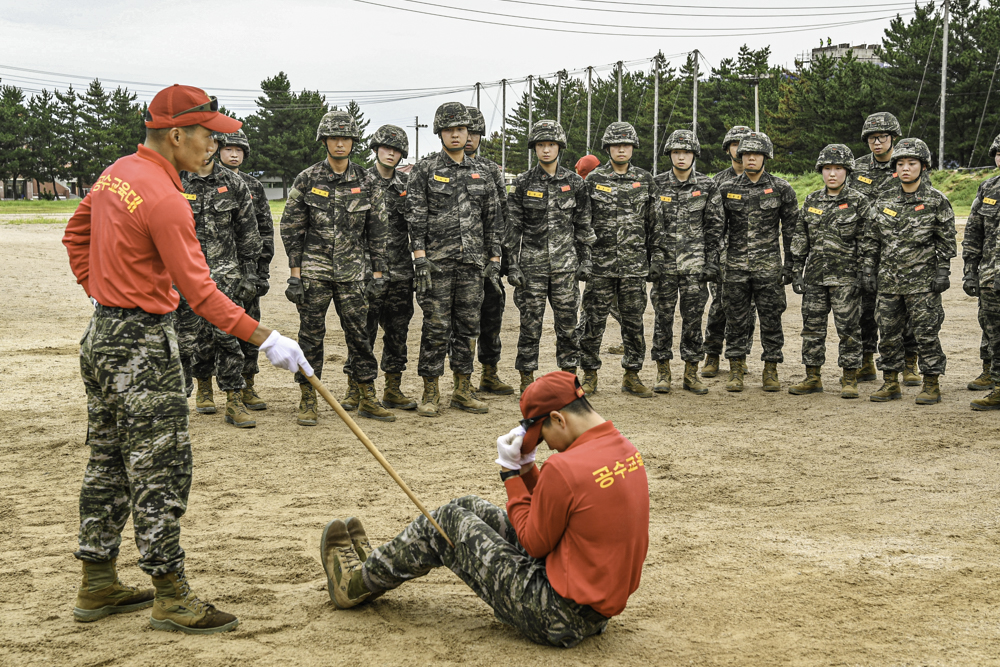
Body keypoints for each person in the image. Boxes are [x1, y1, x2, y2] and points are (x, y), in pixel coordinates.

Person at [62, 84, 310, 634]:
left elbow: (75, 234)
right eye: (206, 134)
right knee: (162, 468)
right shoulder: (165, 197)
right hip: (143, 346)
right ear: (177, 134)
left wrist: (103, 289)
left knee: (107, 461)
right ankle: (170, 596)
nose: (212, 144)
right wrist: (267, 338)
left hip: (103, 335)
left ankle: (97, 580)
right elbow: (202, 295)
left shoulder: (116, 173)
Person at [317, 371, 649, 648]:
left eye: (544, 436)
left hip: (556, 613)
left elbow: (534, 541)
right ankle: (378, 568)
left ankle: (355, 583)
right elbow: (564, 507)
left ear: (558, 418)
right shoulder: (624, 449)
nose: (547, 445)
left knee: (448, 520)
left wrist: (510, 475)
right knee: (466, 506)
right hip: (592, 607)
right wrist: (529, 468)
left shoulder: (565, 467)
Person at [280, 110, 393, 424]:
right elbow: (291, 227)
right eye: (334, 138)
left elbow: (379, 231)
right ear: (325, 141)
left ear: (353, 141)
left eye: (345, 138)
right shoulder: (308, 178)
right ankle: (308, 398)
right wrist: (295, 275)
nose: (340, 143)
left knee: (360, 337)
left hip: (353, 274)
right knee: (311, 338)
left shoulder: (367, 180)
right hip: (314, 273)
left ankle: (366, 395)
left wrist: (378, 273)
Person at [406, 102, 503, 417]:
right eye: (449, 130)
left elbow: (492, 219)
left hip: (472, 266)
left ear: (468, 132)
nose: (456, 134)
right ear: (440, 133)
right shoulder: (426, 169)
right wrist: (420, 258)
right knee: (435, 327)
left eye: (461, 129)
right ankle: (430, 392)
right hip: (436, 265)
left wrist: (493, 257)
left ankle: (463, 389)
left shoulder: (484, 172)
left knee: (468, 327)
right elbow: (416, 216)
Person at [861, 138, 957, 404]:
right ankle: (890, 382)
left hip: (923, 284)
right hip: (889, 282)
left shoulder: (936, 201)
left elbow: (946, 242)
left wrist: (943, 272)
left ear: (923, 166)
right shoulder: (884, 200)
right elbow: (871, 238)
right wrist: (868, 269)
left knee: (926, 334)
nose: (905, 168)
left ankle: (931, 384)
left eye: (911, 163)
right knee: (888, 335)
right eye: (900, 163)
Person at [506, 120, 595, 393]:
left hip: (565, 268)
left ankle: (569, 380)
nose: (546, 150)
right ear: (534, 148)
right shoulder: (522, 183)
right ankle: (526, 381)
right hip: (531, 269)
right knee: (530, 325)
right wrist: (512, 265)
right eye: (541, 145)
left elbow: (583, 225)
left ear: (560, 147)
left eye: (551, 145)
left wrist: (586, 259)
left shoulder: (574, 183)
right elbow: (513, 229)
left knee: (568, 326)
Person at [179, 136, 261, 428]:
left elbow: (248, 231)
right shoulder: (176, 180)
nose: (207, 149)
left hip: (225, 275)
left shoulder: (234, 184)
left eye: (213, 144)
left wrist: (251, 273)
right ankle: (190, 395)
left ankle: (234, 400)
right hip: (184, 275)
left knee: (228, 338)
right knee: (185, 340)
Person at [579, 122, 661, 397]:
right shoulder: (594, 180)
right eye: (616, 145)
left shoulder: (646, 180)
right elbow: (584, 222)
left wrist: (653, 260)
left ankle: (632, 375)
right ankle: (589, 374)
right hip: (600, 266)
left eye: (626, 145)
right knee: (593, 321)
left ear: (633, 147)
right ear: (608, 148)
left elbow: (654, 224)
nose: (621, 149)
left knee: (633, 322)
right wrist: (586, 259)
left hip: (634, 266)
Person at [788, 144, 873, 399]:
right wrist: (796, 268)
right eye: (827, 168)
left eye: (838, 169)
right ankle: (812, 377)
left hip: (847, 279)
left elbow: (868, 240)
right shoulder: (812, 200)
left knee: (849, 329)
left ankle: (850, 378)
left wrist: (866, 271)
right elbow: (801, 236)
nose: (832, 174)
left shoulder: (859, 202)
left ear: (848, 171)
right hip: (815, 277)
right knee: (812, 328)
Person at [718, 131, 798, 392]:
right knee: (736, 320)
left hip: (769, 269)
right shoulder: (727, 189)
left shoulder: (781, 188)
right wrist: (718, 263)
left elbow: (791, 230)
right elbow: (717, 230)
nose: (751, 158)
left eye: (757, 153)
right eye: (747, 153)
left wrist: (792, 265)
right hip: (735, 268)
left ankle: (771, 368)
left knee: (772, 318)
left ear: (766, 157)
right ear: (740, 156)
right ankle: (736, 369)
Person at [649, 129, 723, 394]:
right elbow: (649, 226)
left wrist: (712, 262)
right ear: (670, 154)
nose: (681, 157)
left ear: (694, 154)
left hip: (695, 268)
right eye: (676, 152)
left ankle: (691, 373)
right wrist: (653, 259)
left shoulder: (707, 185)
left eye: (686, 152)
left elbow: (715, 227)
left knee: (693, 320)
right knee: (663, 319)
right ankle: (663, 373)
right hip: (665, 267)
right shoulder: (655, 184)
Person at [850, 112, 921, 385]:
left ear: (892, 137)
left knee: (905, 310)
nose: (876, 142)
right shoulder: (856, 169)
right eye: (871, 138)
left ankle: (909, 364)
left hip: (900, 251)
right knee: (864, 311)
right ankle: (866, 361)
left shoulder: (906, 165)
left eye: (882, 137)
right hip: (864, 250)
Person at [359, 124, 419, 411]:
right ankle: (358, 389)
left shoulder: (406, 188)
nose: (391, 153)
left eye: (396, 150)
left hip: (400, 272)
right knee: (362, 332)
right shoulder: (357, 182)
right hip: (367, 272)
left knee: (397, 333)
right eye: (386, 147)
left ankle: (392, 388)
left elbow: (416, 227)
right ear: (375, 149)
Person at [216, 129, 275, 411]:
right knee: (207, 335)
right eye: (229, 148)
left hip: (246, 273)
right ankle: (204, 387)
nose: (234, 153)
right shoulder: (196, 182)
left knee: (249, 329)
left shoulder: (253, 186)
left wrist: (261, 271)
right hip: (210, 273)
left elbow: (264, 230)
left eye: (239, 149)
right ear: (218, 150)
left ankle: (248, 386)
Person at [464, 106, 515, 396]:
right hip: (460, 259)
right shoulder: (439, 167)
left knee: (491, 316)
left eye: (475, 132)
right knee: (462, 322)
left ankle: (489, 373)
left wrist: (502, 258)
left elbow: (503, 215)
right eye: (464, 131)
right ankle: (464, 377)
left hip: (488, 258)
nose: (469, 137)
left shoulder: (491, 171)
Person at [703, 125, 755, 378]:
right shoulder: (717, 183)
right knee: (720, 306)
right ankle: (712, 355)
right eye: (735, 144)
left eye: (745, 144)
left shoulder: (764, 180)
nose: (741, 149)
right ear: (728, 150)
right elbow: (709, 223)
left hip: (753, 257)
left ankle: (740, 356)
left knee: (749, 308)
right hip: (724, 257)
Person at [962, 133, 1000, 410]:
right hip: (991, 277)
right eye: (998, 153)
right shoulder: (987, 189)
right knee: (994, 332)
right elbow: (973, 233)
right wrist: (970, 271)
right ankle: (997, 386)